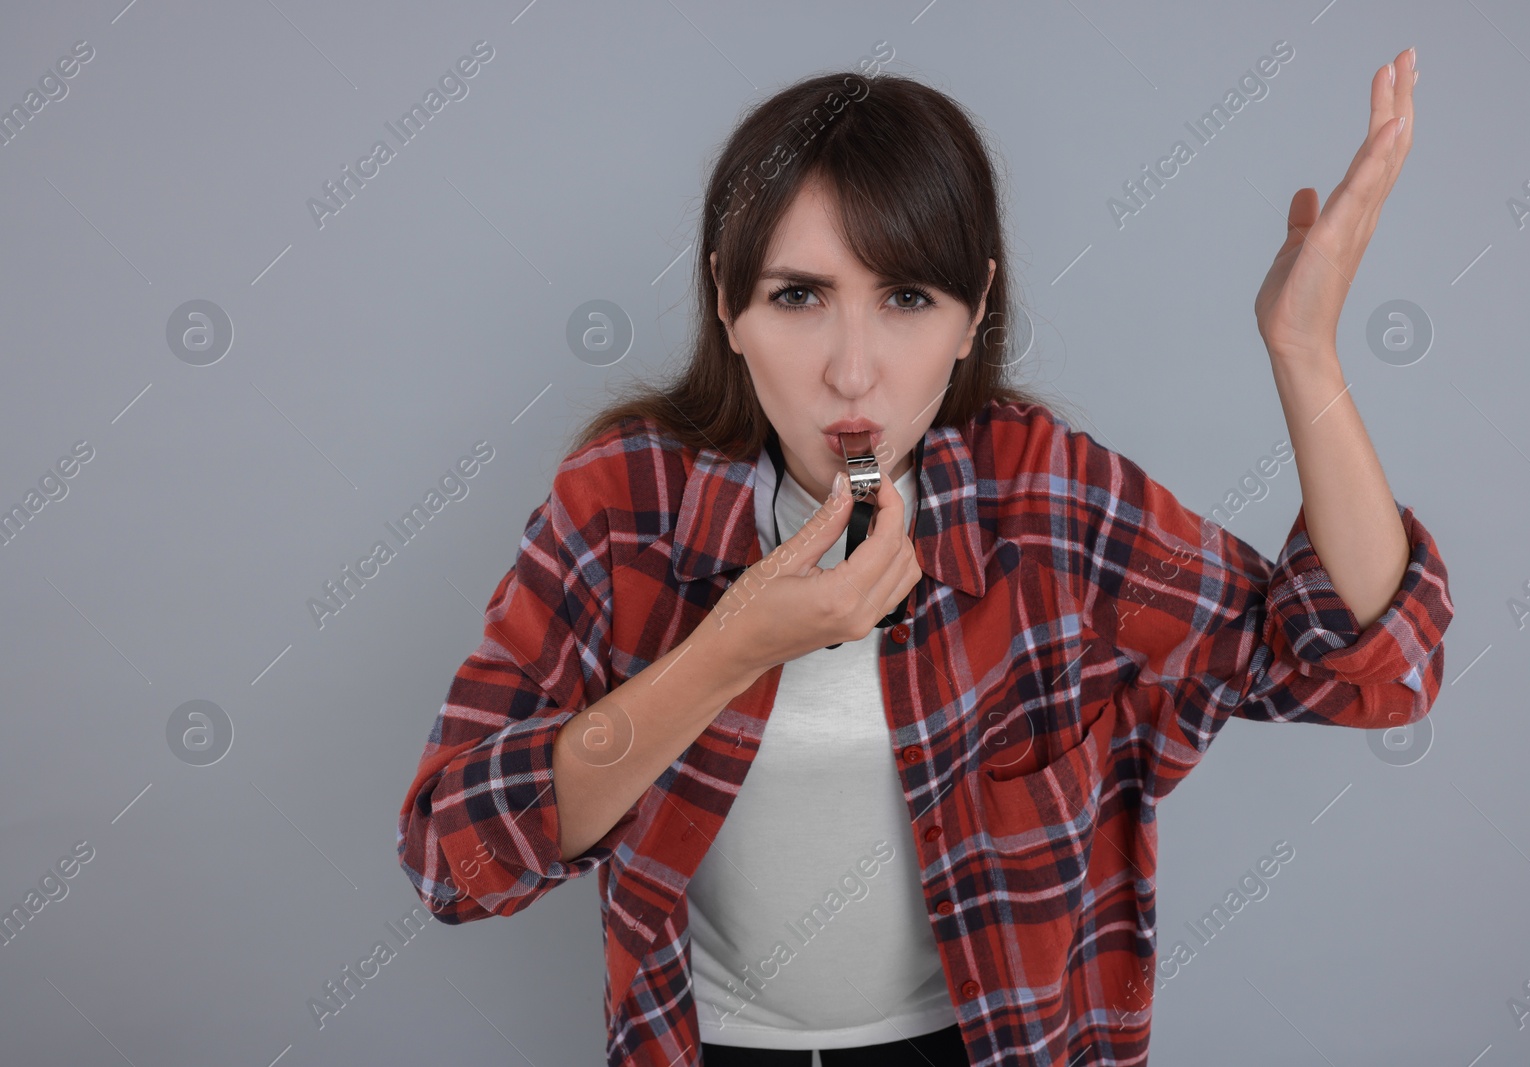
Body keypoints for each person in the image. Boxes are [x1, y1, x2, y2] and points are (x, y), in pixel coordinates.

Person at [398, 52, 1447, 1067]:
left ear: (973, 310)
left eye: (906, 299)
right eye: (797, 295)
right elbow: (456, 860)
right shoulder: (624, 502)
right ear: (726, 301)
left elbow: (1367, 666)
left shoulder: (1038, 497)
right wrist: (729, 649)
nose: (852, 372)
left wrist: (1302, 347)